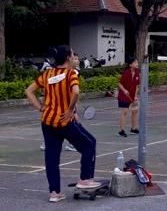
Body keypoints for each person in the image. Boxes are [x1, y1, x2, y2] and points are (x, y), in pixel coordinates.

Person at [25, 45, 99, 202]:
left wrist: (40, 107)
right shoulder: (70, 74)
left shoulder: (47, 74)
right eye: (72, 54)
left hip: (47, 121)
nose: (74, 56)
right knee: (89, 144)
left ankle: (54, 193)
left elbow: (29, 91)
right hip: (64, 121)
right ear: (67, 58)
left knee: (51, 157)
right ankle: (85, 179)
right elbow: (76, 91)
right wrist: (71, 110)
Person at [117, 57, 140, 137]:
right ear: (130, 64)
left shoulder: (137, 73)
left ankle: (133, 128)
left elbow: (137, 85)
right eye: (135, 62)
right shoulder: (126, 73)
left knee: (135, 111)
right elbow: (119, 84)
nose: (137, 64)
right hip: (124, 95)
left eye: (137, 62)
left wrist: (136, 96)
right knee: (125, 112)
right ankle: (121, 130)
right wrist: (124, 90)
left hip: (133, 96)